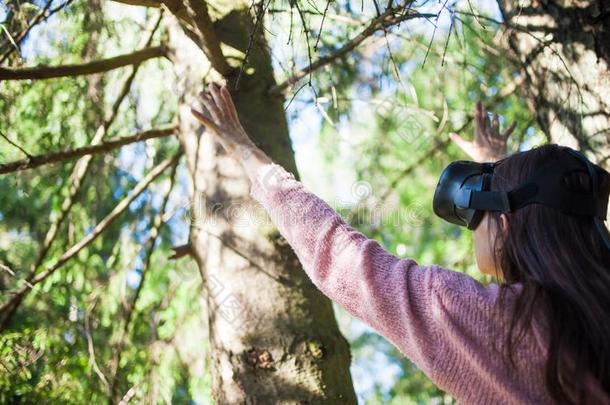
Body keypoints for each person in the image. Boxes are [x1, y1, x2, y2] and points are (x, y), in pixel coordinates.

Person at [190, 83, 610, 404]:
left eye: (476, 215)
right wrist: (500, 168)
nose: (473, 227)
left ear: (506, 221)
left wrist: (246, 153)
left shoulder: (504, 325)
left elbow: (341, 257)